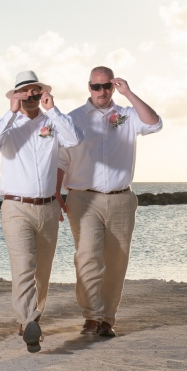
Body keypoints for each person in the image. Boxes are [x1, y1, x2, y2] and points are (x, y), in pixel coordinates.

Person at [57, 66, 162, 337]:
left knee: (117, 261)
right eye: (96, 86)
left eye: (107, 86)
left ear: (113, 87)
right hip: (83, 199)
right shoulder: (73, 118)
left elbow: (154, 123)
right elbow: (61, 159)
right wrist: (56, 193)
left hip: (121, 199)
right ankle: (91, 316)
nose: (102, 91)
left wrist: (129, 93)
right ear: (88, 87)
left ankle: (107, 319)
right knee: (87, 256)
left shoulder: (127, 115)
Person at [0, 70, 79, 353]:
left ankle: (31, 319)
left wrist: (54, 110)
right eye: (24, 92)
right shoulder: (7, 126)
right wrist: (10, 111)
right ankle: (29, 322)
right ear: (15, 96)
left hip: (48, 208)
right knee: (23, 267)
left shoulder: (53, 122)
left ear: (42, 94)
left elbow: (73, 141)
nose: (30, 96)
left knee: (42, 272)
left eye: (35, 92)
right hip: (15, 207)